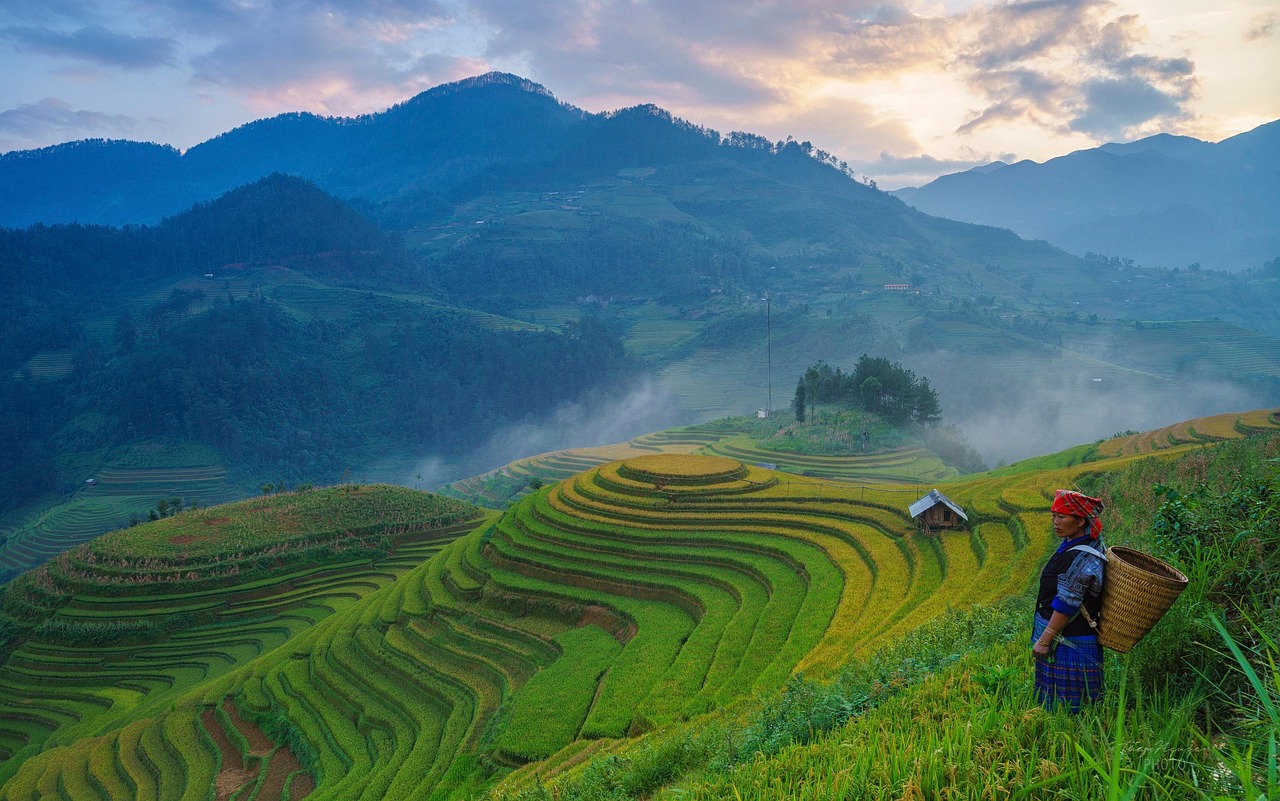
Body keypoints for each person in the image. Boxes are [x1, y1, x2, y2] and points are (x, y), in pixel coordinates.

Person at [1032, 489, 1107, 712]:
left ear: (1080, 521)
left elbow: (1068, 602)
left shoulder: (1079, 556)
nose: (1055, 522)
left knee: (1070, 712)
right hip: (1067, 638)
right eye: (1054, 516)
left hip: (1070, 642)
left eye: (1062, 517)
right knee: (1064, 710)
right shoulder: (1080, 544)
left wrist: (1045, 641)